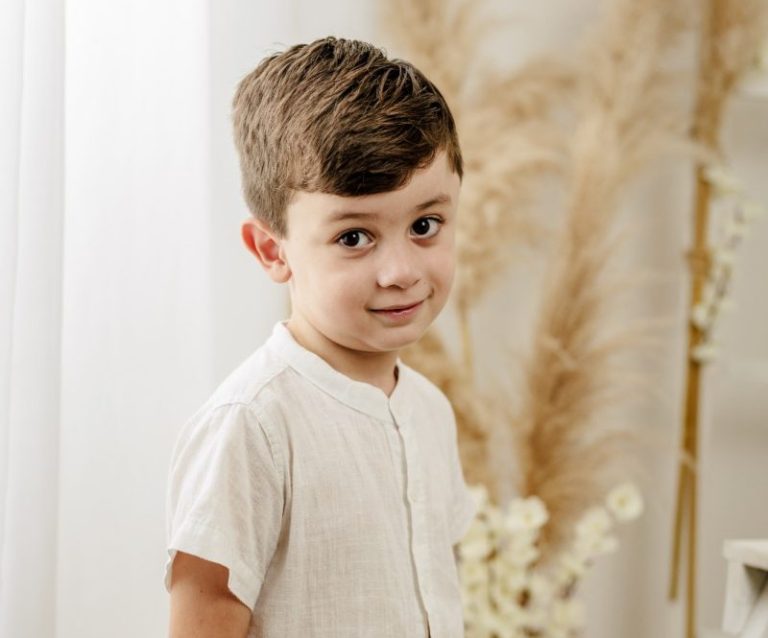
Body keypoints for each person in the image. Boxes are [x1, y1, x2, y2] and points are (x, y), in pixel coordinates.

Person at [164, 36, 477, 638]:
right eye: (354, 237)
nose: (400, 272)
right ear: (271, 250)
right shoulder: (252, 427)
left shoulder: (430, 412)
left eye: (425, 225)